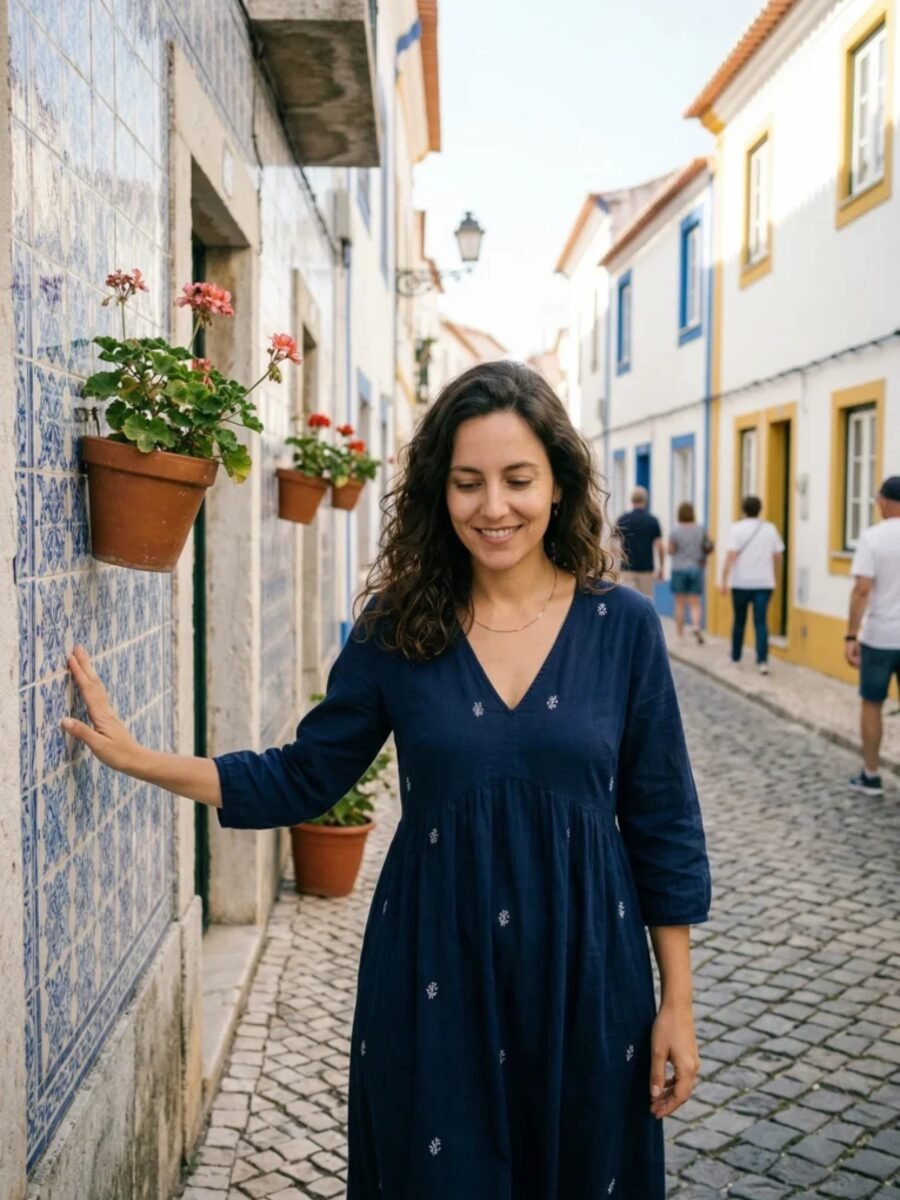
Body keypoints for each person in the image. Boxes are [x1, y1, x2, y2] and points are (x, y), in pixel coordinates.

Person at [62, 362, 711, 1199]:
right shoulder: (400, 629)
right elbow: (303, 777)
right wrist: (140, 758)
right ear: (440, 493)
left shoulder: (620, 626)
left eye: (518, 480)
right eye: (467, 482)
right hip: (436, 970)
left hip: (588, 974)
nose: (493, 507)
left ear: (559, 483)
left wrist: (677, 1001)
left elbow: (663, 819)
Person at [844, 475, 900, 797]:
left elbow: (861, 589)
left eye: (879, 498)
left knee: (872, 704)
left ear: (887, 501)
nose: (877, 503)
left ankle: (871, 774)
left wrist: (850, 636)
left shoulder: (873, 538)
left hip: (880, 636)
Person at [720, 495, 784, 675]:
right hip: (764, 582)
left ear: (743, 510)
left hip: (741, 582)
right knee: (761, 621)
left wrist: (724, 579)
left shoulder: (737, 529)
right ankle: (762, 661)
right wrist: (775, 577)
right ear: (760, 509)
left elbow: (731, 556)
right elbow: (778, 556)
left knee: (739, 621)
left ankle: (736, 658)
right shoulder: (770, 529)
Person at [668, 501, 712, 643]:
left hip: (679, 568)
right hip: (695, 569)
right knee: (695, 602)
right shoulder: (700, 530)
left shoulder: (675, 531)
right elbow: (706, 547)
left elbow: (670, 550)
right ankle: (696, 626)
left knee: (680, 604)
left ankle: (680, 636)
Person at [617, 485, 664, 599]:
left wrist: (615, 566)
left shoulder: (623, 519)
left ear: (631, 500)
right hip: (646, 568)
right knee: (647, 601)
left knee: (629, 601)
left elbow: (614, 545)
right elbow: (660, 546)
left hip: (628, 568)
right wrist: (662, 567)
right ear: (645, 500)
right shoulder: (652, 521)